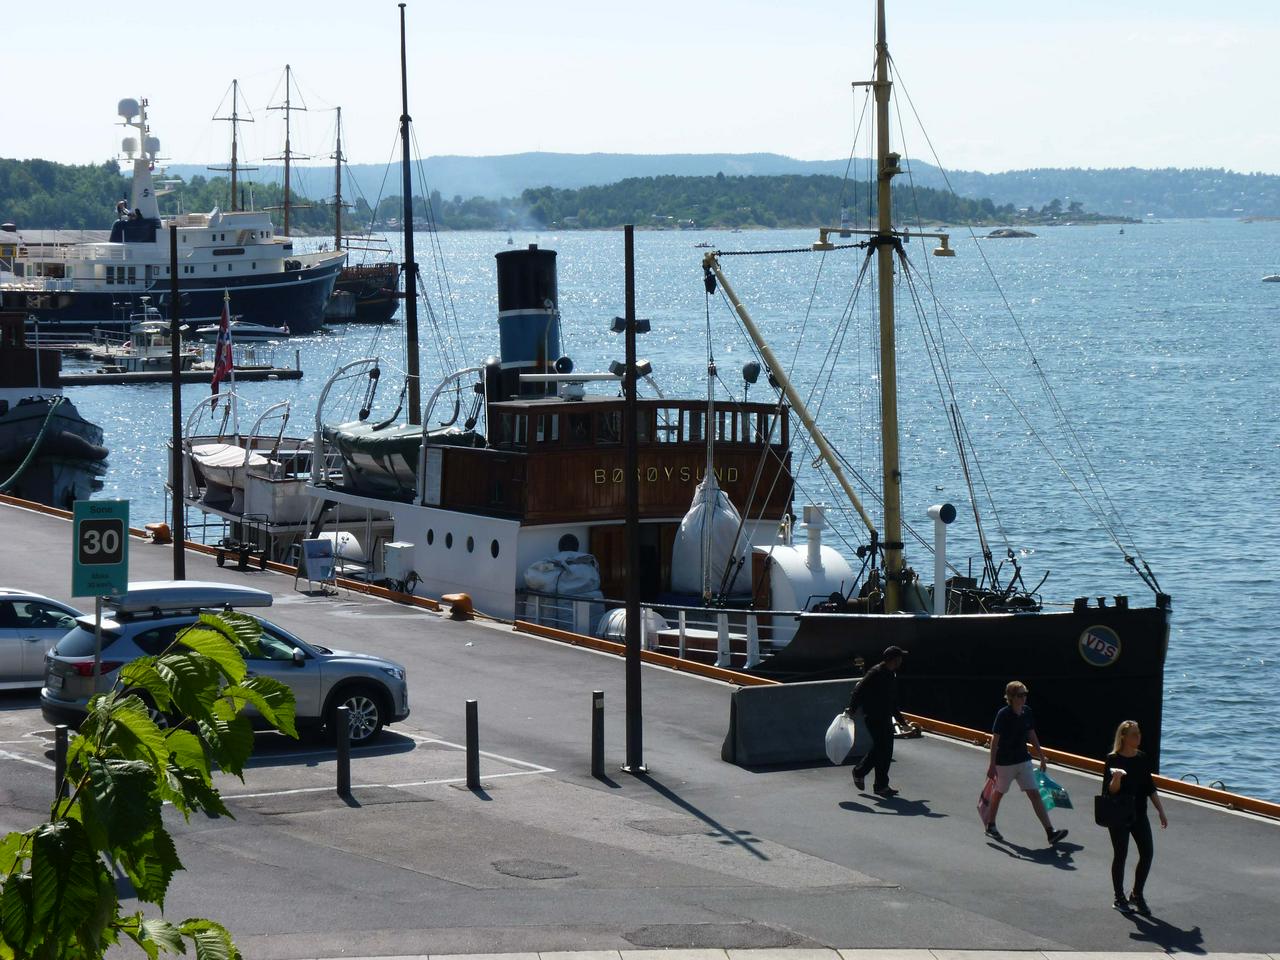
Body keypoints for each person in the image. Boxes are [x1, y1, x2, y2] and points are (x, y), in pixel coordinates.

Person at [982, 680, 1068, 845]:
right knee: (999, 794)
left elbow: (1031, 734)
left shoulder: (1027, 712)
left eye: (1025, 694)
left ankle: (1050, 831)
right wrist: (992, 764)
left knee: (1034, 794)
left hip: (1023, 760)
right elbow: (995, 740)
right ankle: (991, 824)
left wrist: (1041, 756)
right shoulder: (1003, 714)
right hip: (1005, 763)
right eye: (1020, 695)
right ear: (1011, 697)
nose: (1024, 698)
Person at [1104, 719, 1168, 915]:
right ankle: (1119, 897)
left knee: (1147, 853)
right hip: (1119, 814)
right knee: (1120, 855)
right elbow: (1109, 792)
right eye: (1134, 734)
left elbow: (1149, 787)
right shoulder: (1113, 759)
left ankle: (1137, 894)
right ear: (1123, 737)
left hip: (1139, 813)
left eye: (1139, 733)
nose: (1138, 737)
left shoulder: (1141, 758)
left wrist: (1160, 810)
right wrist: (1116, 779)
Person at [845, 645, 918, 797]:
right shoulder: (875, 672)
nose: (901, 661)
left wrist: (902, 722)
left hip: (885, 717)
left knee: (886, 750)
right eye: (900, 658)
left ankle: (881, 785)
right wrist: (852, 709)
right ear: (894, 659)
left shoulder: (891, 674)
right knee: (881, 748)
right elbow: (859, 690)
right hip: (873, 716)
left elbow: (891, 702)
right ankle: (859, 772)